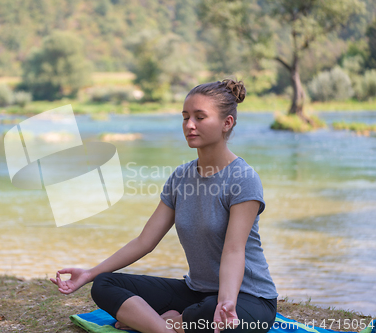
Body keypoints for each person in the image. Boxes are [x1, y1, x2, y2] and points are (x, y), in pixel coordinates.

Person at [50, 79, 278, 333]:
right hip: (196, 292)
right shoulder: (180, 177)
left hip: (248, 299)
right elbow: (145, 241)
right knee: (104, 284)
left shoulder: (243, 179)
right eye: (185, 117)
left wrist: (226, 302)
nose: (189, 125)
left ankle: (161, 322)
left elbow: (234, 251)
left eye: (200, 117)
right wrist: (89, 273)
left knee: (207, 313)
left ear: (227, 123)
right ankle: (171, 326)